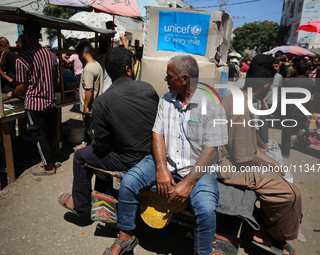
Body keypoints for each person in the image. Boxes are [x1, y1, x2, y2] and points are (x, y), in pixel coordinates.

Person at [103, 55, 228, 255]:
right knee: (128, 184)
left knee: (205, 209)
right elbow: (157, 133)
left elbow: (211, 149)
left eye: (169, 76)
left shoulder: (211, 106)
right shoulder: (165, 100)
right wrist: (161, 169)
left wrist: (188, 183)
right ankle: (126, 236)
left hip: (198, 170)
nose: (165, 80)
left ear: (185, 79)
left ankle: (201, 252)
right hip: (165, 162)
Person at [58, 47, 159, 215]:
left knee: (80, 156)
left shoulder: (102, 102)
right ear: (128, 69)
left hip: (127, 159)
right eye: (133, 66)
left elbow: (102, 145)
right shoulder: (148, 89)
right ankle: (102, 195)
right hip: (150, 155)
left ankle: (81, 204)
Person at [217, 54, 302, 255]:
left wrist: (271, 160)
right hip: (228, 166)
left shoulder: (241, 97)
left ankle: (271, 229)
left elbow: (250, 144)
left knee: (284, 177)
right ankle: (267, 232)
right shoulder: (242, 106)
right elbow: (243, 157)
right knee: (290, 194)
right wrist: (273, 166)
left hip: (237, 159)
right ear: (266, 85)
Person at [8, 19, 60, 175]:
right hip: (50, 102)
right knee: (49, 133)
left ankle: (48, 167)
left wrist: (13, 93)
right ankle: (47, 160)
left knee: (39, 135)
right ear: (39, 35)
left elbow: (22, 86)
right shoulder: (51, 55)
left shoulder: (22, 59)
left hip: (34, 104)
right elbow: (56, 81)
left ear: (24, 35)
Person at [281, 62, 315, 158]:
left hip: (290, 110)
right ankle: (289, 147)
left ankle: (286, 152)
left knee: (287, 131)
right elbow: (312, 96)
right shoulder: (311, 82)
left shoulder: (290, 82)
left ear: (295, 70)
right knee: (296, 131)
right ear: (306, 71)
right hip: (303, 110)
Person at [76, 42, 103, 144]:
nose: (78, 57)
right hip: (97, 105)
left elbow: (89, 89)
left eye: (78, 54)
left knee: (91, 133)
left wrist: (86, 106)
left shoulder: (88, 68)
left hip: (90, 108)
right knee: (95, 132)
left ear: (82, 52)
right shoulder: (97, 65)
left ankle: (93, 154)